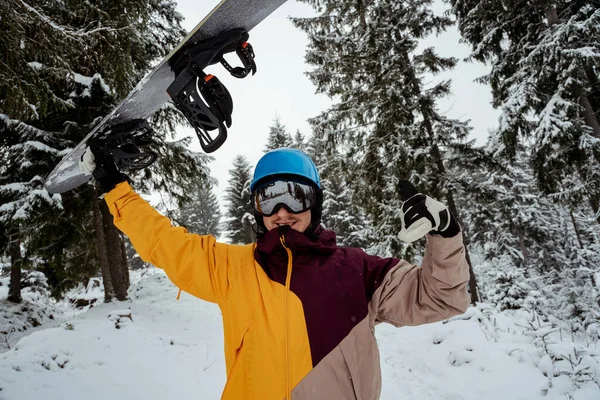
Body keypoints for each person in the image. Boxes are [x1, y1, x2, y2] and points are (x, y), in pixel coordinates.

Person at [81, 146, 470, 400]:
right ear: (258, 209)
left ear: (314, 203)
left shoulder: (357, 271)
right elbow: (165, 243)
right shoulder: (233, 268)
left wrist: (445, 232)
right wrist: (117, 190)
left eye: (295, 195)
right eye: (270, 199)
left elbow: (441, 297)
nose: (283, 211)